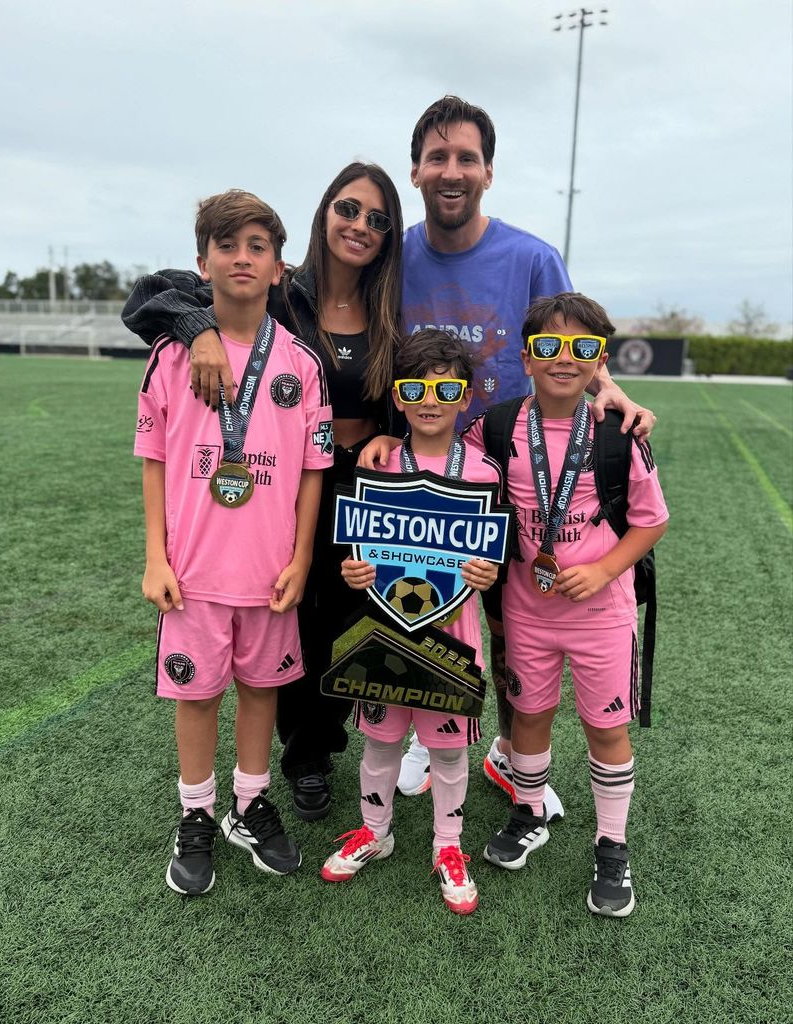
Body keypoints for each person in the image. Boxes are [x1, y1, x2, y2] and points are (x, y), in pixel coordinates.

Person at [358, 95, 656, 809]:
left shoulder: (531, 255)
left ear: (488, 171)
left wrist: (610, 393)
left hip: (515, 466)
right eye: (437, 158)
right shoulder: (393, 260)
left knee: (508, 620)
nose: (451, 170)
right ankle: (432, 743)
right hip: (428, 469)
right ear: (416, 171)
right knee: (425, 605)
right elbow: (366, 344)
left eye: (465, 157)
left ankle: (499, 752)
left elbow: (570, 336)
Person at [123, 163, 403, 821]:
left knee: (340, 620)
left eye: (377, 217)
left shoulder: (392, 303)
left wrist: (391, 434)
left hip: (357, 479)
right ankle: (299, 760)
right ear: (323, 215)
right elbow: (148, 297)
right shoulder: (285, 287)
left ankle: (331, 746)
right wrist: (197, 332)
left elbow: (412, 380)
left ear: (388, 235)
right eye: (348, 209)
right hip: (273, 476)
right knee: (289, 620)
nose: (359, 225)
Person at [134, 189, 333, 895]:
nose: (242, 258)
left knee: (261, 691)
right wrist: (156, 557)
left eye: (257, 247)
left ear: (280, 268)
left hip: (270, 570)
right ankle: (196, 814)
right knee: (197, 699)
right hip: (190, 571)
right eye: (228, 246)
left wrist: (304, 557)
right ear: (202, 262)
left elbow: (312, 470)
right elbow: (154, 461)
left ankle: (249, 804)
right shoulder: (171, 356)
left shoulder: (302, 366)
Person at [463, 292, 668, 917]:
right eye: (549, 347)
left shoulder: (618, 434)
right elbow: (443, 453)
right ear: (528, 357)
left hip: (603, 615)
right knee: (527, 719)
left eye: (581, 349)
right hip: (526, 613)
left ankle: (612, 843)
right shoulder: (496, 427)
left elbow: (651, 521)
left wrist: (605, 569)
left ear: (598, 361)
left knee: (606, 728)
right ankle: (529, 810)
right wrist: (386, 451)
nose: (563, 359)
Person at [320, 330, 500, 914]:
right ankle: (376, 830)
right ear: (398, 397)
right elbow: (360, 550)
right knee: (379, 741)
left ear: (465, 396)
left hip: (452, 636)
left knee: (448, 753)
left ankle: (448, 846)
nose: (430, 399)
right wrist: (354, 573)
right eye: (416, 387)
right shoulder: (377, 461)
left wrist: (486, 573)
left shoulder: (483, 471)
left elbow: (491, 553)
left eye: (446, 388)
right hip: (384, 631)